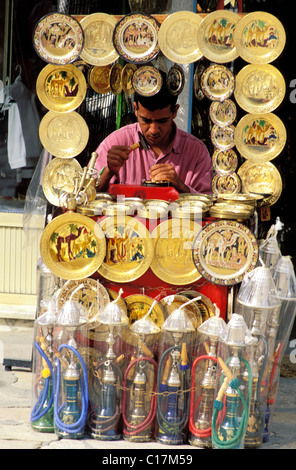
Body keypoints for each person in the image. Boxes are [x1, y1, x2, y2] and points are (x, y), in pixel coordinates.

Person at [95, 72, 213, 194]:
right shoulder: (115, 143)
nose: (153, 130)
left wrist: (179, 187)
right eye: (146, 120)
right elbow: (86, 196)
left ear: (175, 112)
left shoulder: (197, 152)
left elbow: (207, 204)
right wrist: (108, 171)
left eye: (162, 121)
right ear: (135, 109)